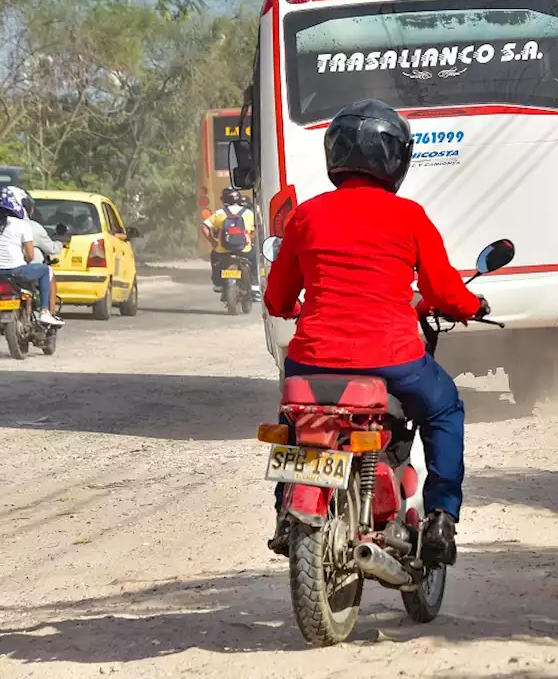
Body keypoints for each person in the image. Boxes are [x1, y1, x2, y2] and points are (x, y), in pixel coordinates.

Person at [263, 98, 487, 565]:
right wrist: (471, 306)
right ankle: (443, 514)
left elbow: (278, 300)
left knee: (296, 423)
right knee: (445, 408)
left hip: (313, 360)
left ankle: (288, 510)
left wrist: (300, 306)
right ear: (395, 159)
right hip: (395, 359)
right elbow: (445, 292)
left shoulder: (306, 216)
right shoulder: (409, 217)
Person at [0, 187, 66, 327]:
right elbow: (30, 255)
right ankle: (45, 311)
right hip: (16, 272)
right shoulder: (22, 225)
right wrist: (25, 262)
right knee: (45, 270)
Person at [201, 187, 257, 293]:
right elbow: (257, 227)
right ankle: (254, 282)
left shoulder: (219, 213)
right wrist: (251, 237)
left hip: (222, 251)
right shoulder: (249, 213)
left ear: (223, 199)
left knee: (214, 257)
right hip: (244, 250)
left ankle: (218, 283)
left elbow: (204, 226)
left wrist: (213, 241)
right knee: (254, 257)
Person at [18, 189, 65, 314]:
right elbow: (50, 249)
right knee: (47, 271)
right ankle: (48, 311)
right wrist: (60, 243)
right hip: (22, 270)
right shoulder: (31, 227)